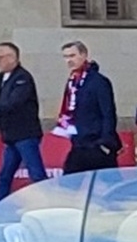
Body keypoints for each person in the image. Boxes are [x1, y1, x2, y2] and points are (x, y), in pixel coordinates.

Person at [52, 39, 121, 174]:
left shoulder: (99, 82)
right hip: (79, 143)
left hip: (96, 144)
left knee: (109, 185)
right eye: (65, 57)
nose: (68, 61)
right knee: (69, 184)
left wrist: (104, 143)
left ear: (84, 55)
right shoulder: (72, 82)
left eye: (72, 56)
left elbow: (108, 113)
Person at [0, 42, 46, 201]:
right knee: (4, 175)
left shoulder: (22, 78)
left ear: (12, 58)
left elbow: (14, 103)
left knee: (36, 174)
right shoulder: (4, 78)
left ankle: (48, 205)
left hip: (25, 134)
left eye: (0, 57)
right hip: (11, 135)